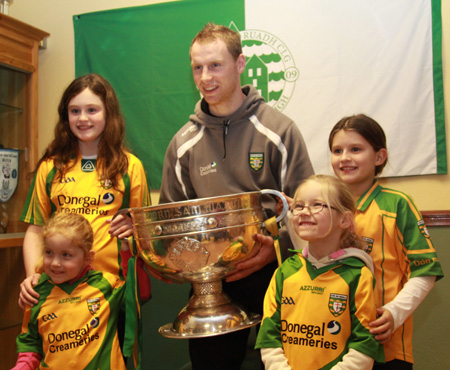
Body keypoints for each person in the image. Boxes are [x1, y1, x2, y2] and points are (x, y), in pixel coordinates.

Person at [159, 23, 314, 369]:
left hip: (275, 273)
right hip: (210, 283)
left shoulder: (279, 130)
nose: (205, 77)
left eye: (215, 65)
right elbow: (173, 220)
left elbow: (305, 208)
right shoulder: (182, 144)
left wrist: (272, 249)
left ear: (240, 63)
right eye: (197, 67)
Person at [19, 73, 151, 308]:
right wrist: (32, 277)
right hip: (57, 291)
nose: (83, 118)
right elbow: (36, 229)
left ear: (108, 114)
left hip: (111, 292)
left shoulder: (130, 167)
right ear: (65, 116)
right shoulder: (51, 166)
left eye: (92, 110)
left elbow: (148, 232)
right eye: (74, 111)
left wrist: (135, 227)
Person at [328, 114, 444, 369]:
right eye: (337, 150)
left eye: (355, 149)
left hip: (384, 344)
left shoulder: (397, 204)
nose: (344, 157)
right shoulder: (324, 207)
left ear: (379, 157)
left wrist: (395, 312)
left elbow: (426, 271)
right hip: (332, 342)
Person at [255, 174, 384, 369]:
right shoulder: (285, 272)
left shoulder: (358, 275)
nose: (305, 212)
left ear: (345, 219)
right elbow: (269, 334)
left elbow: (365, 343)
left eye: (317, 205)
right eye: (298, 206)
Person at [12, 213, 150, 370]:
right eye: (49, 252)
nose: (55, 263)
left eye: (66, 255)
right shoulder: (36, 293)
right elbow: (29, 344)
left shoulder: (105, 285)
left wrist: (128, 252)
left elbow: (140, 295)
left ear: (88, 258)